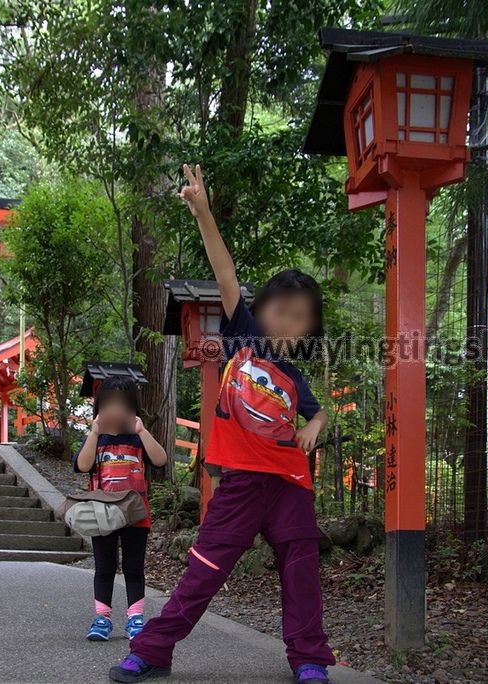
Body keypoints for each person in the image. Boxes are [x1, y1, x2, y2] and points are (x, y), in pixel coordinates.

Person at [109, 164, 335, 683]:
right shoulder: (243, 338)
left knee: (301, 572)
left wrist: (314, 424)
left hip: (290, 486)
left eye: (299, 316)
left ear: (307, 329)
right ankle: (155, 648)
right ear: (264, 311)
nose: (286, 320)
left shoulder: (294, 377)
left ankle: (308, 658)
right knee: (204, 571)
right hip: (239, 485)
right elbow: (225, 271)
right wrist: (203, 211)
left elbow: (316, 410)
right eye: (280, 309)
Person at [74, 376, 169, 642]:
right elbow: (83, 465)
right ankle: (101, 618)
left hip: (135, 514)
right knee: (104, 567)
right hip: (102, 514)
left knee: (133, 567)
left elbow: (160, 459)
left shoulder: (139, 439)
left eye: (122, 404)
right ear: (100, 407)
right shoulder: (98, 439)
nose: (116, 410)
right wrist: (93, 433)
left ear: (133, 407)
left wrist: (141, 431)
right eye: (109, 404)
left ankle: (136, 618)